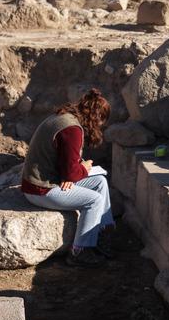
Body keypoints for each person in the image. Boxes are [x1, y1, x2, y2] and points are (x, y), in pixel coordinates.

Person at [20, 89, 115, 268]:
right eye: (101, 122)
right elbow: (71, 173)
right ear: (96, 117)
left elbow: (67, 165)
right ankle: (80, 251)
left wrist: (75, 171)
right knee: (94, 200)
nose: (100, 127)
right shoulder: (72, 130)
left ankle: (104, 231)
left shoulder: (65, 117)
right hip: (40, 189)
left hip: (47, 179)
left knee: (100, 182)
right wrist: (84, 168)